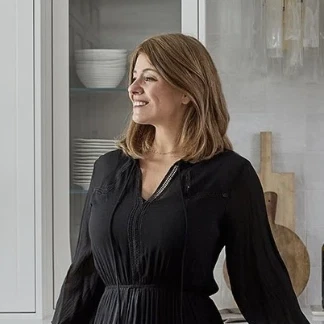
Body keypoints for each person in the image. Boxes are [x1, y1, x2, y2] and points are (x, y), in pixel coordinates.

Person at [52, 33, 310, 324]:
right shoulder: (107, 169)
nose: (133, 88)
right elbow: (84, 277)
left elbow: (260, 282)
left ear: (187, 91)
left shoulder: (229, 175)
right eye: (134, 77)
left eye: (148, 78)